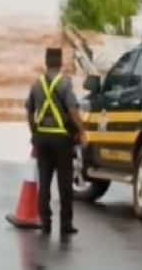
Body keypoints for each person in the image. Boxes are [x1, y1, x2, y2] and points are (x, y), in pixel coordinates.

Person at [13, 48, 87, 237]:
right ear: (60, 63)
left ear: (46, 62)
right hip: (61, 139)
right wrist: (82, 131)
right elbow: (72, 111)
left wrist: (34, 133)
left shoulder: (36, 85)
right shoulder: (65, 83)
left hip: (42, 138)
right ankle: (66, 224)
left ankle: (45, 222)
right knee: (64, 183)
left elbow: (29, 112)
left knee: (44, 182)